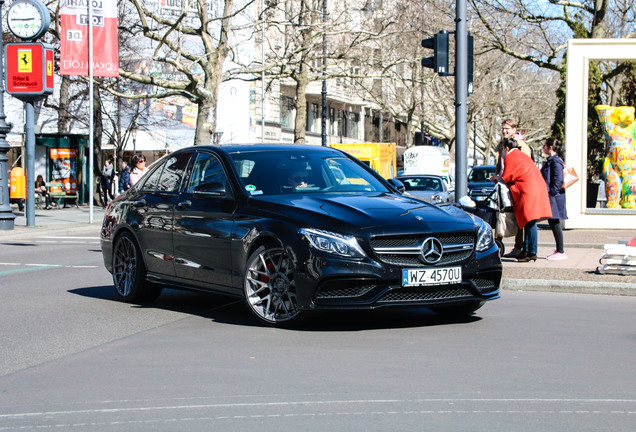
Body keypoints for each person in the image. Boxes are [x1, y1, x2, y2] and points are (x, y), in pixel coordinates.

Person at [500, 138, 552, 262]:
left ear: (506, 148)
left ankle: (532, 252)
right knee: (528, 221)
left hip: (527, 191)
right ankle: (527, 250)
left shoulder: (510, 156)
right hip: (534, 188)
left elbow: (507, 176)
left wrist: (497, 178)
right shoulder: (521, 154)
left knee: (530, 221)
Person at [491, 118, 534, 259]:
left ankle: (519, 246)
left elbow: (524, 167)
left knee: (518, 216)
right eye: (503, 128)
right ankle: (497, 244)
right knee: (500, 214)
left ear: (514, 130)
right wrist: (498, 176)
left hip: (515, 185)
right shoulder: (500, 145)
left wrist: (505, 178)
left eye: (507, 129)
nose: (504, 131)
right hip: (503, 184)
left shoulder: (521, 146)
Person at [541, 138, 568, 260]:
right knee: (553, 223)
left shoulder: (555, 161)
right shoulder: (552, 161)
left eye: (545, 146)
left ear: (550, 147)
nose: (543, 148)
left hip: (555, 198)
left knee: (555, 223)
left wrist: (551, 193)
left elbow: (558, 180)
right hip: (553, 197)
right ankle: (559, 250)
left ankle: (560, 251)